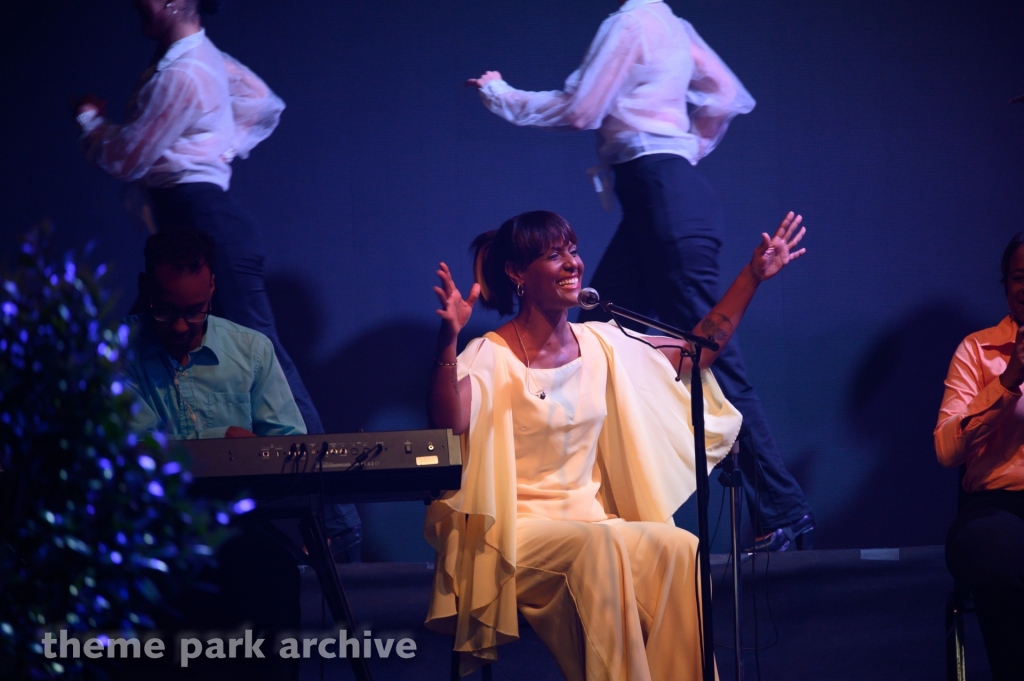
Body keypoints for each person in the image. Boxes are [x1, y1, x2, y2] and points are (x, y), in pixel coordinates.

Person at [466, 0, 813, 551]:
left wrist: (499, 94)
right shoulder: (673, 24)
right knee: (598, 337)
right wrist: (681, 149)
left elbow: (581, 109)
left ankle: (783, 508)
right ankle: (601, 503)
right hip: (665, 195)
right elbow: (726, 96)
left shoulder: (630, 21)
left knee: (707, 357)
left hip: (663, 196)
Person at [424, 210, 806, 680]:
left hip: (592, 526)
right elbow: (449, 422)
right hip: (519, 533)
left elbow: (697, 351)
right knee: (599, 546)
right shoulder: (491, 353)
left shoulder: (603, 343)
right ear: (517, 273)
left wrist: (752, 276)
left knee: (678, 548)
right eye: (554, 255)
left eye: (572, 251)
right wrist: (448, 340)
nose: (572, 264)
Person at [73, 0, 361, 555]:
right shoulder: (201, 59)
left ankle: (337, 521)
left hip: (203, 216)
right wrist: (211, 144)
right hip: (195, 215)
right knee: (155, 346)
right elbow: (261, 102)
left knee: (270, 364)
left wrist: (90, 121)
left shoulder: (184, 70)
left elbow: (126, 157)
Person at [121, 227, 300, 680]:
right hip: (149, 527)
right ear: (145, 289)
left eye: (194, 311)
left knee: (272, 568)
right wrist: (226, 441)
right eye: (165, 311)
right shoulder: (115, 352)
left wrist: (255, 454)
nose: (180, 326)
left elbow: (289, 447)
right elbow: (134, 451)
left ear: (213, 289)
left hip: (237, 525)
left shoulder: (251, 350)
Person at [936, 232, 1024, 681]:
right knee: (999, 559)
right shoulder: (976, 351)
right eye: (1019, 277)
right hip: (995, 508)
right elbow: (947, 449)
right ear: (1005, 285)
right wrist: (1008, 382)